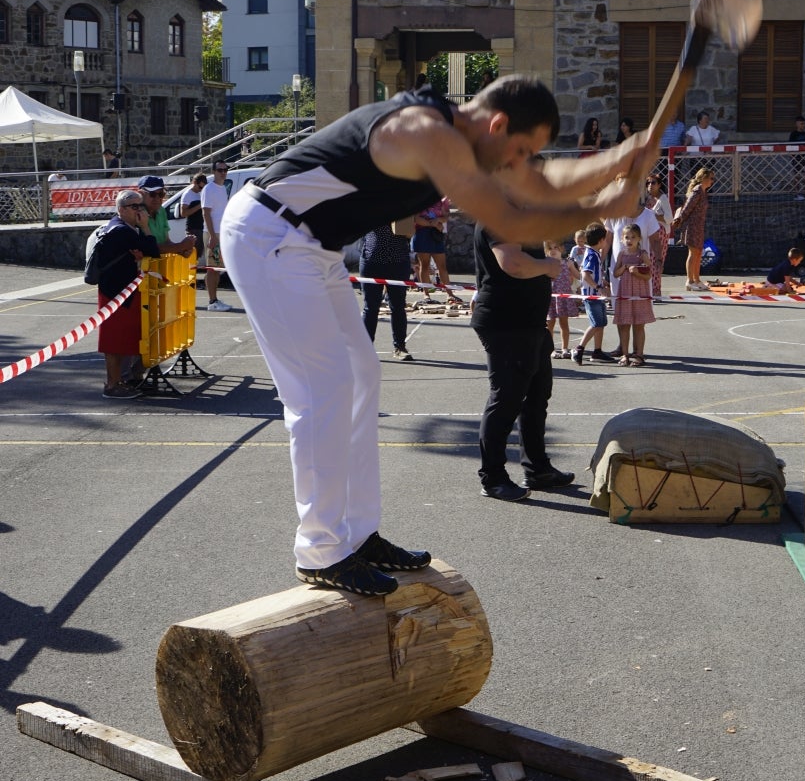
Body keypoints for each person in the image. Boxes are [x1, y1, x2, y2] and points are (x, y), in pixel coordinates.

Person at [218, 74, 656, 596]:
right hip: (270, 234)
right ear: (497, 125)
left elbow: (540, 183)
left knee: (360, 377)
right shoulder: (427, 131)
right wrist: (605, 204)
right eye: (519, 151)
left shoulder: (458, 138)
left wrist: (622, 157)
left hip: (312, 245)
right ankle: (320, 550)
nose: (519, 164)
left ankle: (355, 536)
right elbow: (508, 217)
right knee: (322, 390)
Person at [472, 219, 575, 501]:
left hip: (529, 324)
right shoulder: (499, 214)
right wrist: (548, 267)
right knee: (506, 400)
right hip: (507, 325)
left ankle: (538, 469)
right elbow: (512, 263)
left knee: (536, 397)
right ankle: (492, 478)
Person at [94, 189, 160, 398]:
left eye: (141, 206)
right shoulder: (121, 230)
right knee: (113, 342)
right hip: (115, 293)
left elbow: (146, 250)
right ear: (121, 209)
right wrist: (146, 228)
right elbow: (153, 249)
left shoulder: (127, 228)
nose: (140, 210)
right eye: (134, 207)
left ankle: (122, 380)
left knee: (124, 339)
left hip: (124, 292)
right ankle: (113, 385)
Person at [358, 223, 414, 361]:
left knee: (398, 306)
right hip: (371, 259)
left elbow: (410, 231)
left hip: (398, 260)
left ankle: (400, 347)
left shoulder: (403, 206)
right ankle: (366, 348)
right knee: (370, 307)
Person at [612, 223, 655, 366]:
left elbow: (649, 274)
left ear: (639, 239)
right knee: (624, 324)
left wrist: (637, 273)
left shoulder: (642, 254)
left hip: (639, 292)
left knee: (639, 325)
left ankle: (639, 355)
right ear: (622, 239)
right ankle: (625, 355)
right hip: (624, 292)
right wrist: (624, 268)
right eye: (626, 237)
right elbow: (615, 273)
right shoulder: (622, 254)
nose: (629, 240)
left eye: (633, 237)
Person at [571, 222, 613, 366]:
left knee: (601, 323)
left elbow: (594, 274)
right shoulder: (592, 255)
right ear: (601, 240)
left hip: (596, 295)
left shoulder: (594, 253)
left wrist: (603, 283)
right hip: (591, 295)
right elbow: (585, 274)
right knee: (596, 323)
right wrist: (598, 287)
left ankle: (597, 351)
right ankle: (579, 348)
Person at [411, 195, 461, 305]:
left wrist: (438, 220)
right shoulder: (420, 197)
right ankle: (426, 294)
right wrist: (432, 224)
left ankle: (449, 294)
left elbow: (445, 216)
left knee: (442, 266)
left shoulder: (443, 199)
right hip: (422, 233)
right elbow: (416, 218)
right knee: (424, 265)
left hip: (436, 234)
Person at [673, 165, 716, 291]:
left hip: (698, 226)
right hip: (692, 226)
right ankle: (690, 280)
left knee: (698, 253)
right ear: (703, 178)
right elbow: (687, 207)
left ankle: (697, 280)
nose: (712, 181)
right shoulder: (697, 191)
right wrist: (679, 220)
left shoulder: (703, 191)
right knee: (693, 253)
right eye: (711, 178)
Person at [137, 176, 196, 258]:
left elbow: (166, 242)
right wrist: (180, 246)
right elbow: (149, 248)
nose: (157, 198)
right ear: (140, 194)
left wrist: (181, 251)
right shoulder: (136, 215)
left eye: (161, 194)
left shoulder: (161, 211)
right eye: (152, 194)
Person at [202, 161, 233, 311]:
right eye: (220, 170)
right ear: (214, 171)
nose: (223, 172)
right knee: (212, 268)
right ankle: (212, 301)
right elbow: (206, 212)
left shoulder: (222, 188)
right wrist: (213, 236)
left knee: (217, 268)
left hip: (220, 233)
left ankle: (214, 300)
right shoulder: (209, 189)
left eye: (225, 169)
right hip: (213, 233)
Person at [544, 240, 579, 357]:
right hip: (551, 298)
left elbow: (578, 275)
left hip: (564, 298)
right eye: (550, 248)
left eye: (556, 247)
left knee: (564, 323)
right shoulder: (545, 264)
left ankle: (565, 348)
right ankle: (551, 349)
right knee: (550, 324)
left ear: (562, 249)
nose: (553, 250)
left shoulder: (567, 263)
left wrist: (585, 271)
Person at [645, 172, 673, 300]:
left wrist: (653, 215)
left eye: (653, 183)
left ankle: (656, 291)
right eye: (648, 183)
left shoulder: (663, 199)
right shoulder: (648, 198)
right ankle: (648, 289)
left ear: (659, 185)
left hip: (660, 232)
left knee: (656, 260)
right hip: (649, 232)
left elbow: (669, 218)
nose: (650, 185)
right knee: (648, 261)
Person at [177, 173, 207, 271]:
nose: (201, 189)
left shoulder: (200, 192)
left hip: (201, 228)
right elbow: (183, 213)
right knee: (192, 255)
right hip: (193, 229)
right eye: (200, 187)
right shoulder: (187, 194)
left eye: (203, 187)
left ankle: (194, 279)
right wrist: (199, 205)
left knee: (197, 256)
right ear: (194, 183)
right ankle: (191, 279)